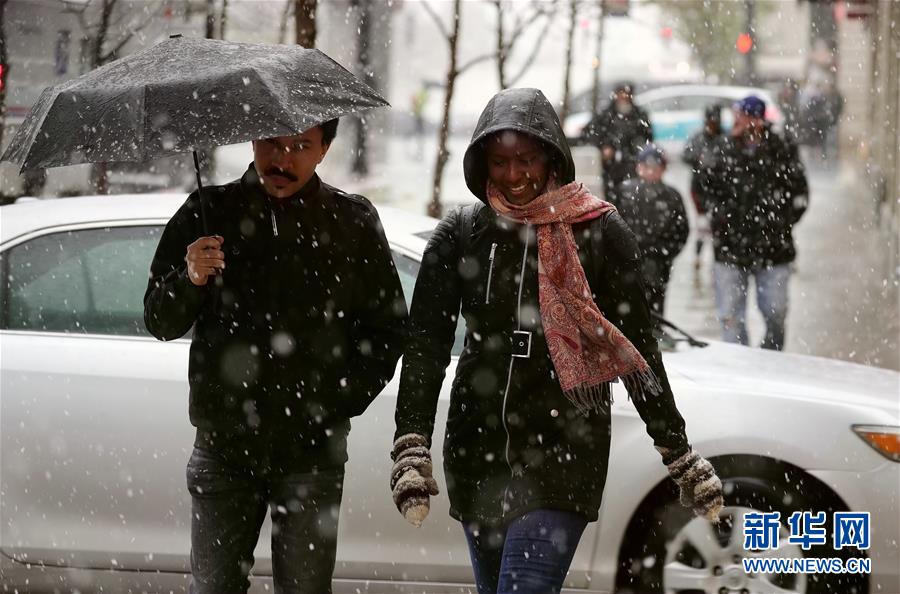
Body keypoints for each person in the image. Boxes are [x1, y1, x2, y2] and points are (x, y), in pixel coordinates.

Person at [389, 88, 723, 594]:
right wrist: (411, 444)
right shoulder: (462, 234)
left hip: (564, 451)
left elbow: (637, 351)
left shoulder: (599, 231)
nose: (514, 174)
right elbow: (427, 347)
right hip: (477, 450)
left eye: (526, 159)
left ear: (551, 157)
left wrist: (677, 452)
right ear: (482, 164)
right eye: (499, 161)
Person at [143, 119, 408, 594]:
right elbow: (159, 320)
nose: (282, 160)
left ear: (324, 149)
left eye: (300, 146)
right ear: (252, 139)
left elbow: (387, 331)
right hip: (224, 447)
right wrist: (190, 278)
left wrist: (334, 400)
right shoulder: (209, 212)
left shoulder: (351, 221)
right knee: (214, 587)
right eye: (271, 143)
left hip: (311, 453)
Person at [701, 96, 809, 351]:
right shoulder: (722, 148)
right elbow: (703, 187)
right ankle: (740, 369)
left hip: (773, 248)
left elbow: (800, 192)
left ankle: (770, 360)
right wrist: (720, 219)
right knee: (730, 318)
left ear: (757, 120)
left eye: (743, 116)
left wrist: (781, 223)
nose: (737, 120)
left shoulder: (781, 148)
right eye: (737, 115)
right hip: (729, 248)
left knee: (776, 313)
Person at [617, 145, 689, 317]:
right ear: (638, 167)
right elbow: (610, 226)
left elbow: (682, 232)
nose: (650, 171)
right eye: (645, 166)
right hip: (628, 263)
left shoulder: (672, 196)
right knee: (626, 310)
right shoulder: (624, 192)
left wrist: (664, 254)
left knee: (655, 309)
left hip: (658, 265)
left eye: (654, 167)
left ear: (663, 169)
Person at [581, 81, 653, 201]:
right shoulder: (605, 115)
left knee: (633, 197)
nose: (623, 97)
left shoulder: (639, 115)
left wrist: (637, 148)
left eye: (626, 94)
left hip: (633, 164)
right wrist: (604, 147)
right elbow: (590, 132)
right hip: (611, 167)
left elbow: (648, 137)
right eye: (621, 93)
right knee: (612, 198)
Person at [682, 105, 727, 276]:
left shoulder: (725, 139)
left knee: (719, 223)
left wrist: (717, 163)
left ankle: (718, 255)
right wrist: (698, 159)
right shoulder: (698, 139)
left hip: (719, 190)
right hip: (699, 189)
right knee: (702, 224)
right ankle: (698, 256)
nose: (712, 124)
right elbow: (685, 155)